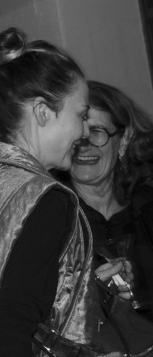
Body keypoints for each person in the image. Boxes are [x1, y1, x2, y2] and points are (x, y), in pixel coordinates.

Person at [0, 28, 133, 357]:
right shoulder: (46, 199)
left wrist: (85, 287)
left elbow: (8, 290)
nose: (83, 131)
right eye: (81, 115)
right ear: (43, 112)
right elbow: (9, 335)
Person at [65, 80, 153, 318]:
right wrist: (88, 295)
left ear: (124, 139)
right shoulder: (55, 220)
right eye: (78, 132)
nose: (84, 144)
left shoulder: (146, 210)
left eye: (97, 131)